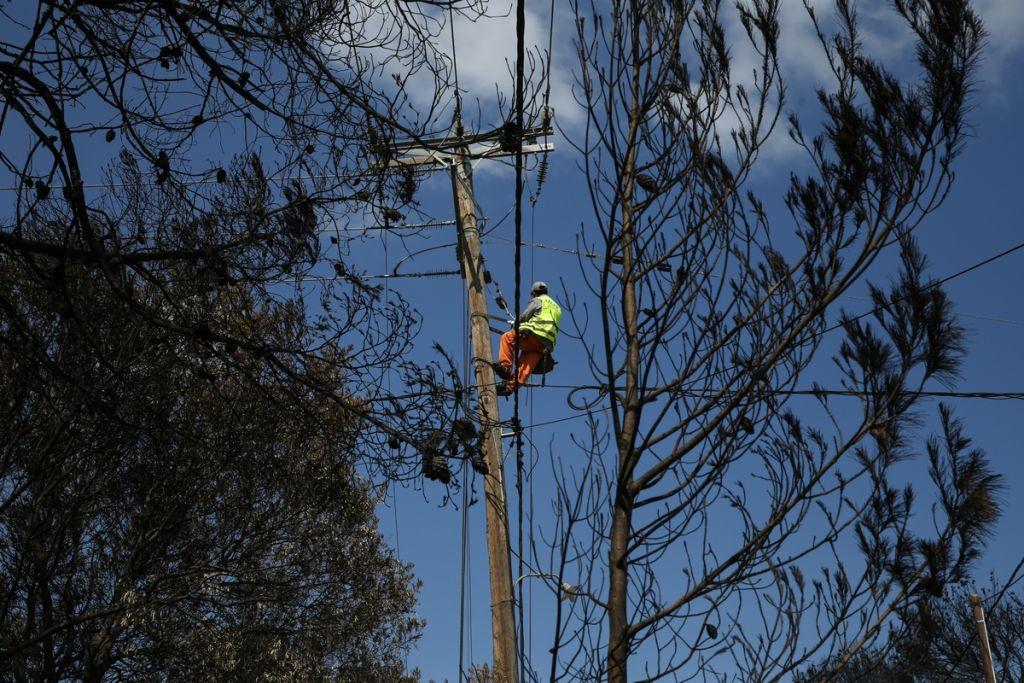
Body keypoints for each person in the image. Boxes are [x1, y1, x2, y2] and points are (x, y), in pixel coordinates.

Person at [495, 281, 562, 396]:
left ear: (534, 293)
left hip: (534, 335)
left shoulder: (538, 300)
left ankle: (505, 367)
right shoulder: (557, 308)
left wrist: (517, 323)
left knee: (507, 338)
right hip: (545, 346)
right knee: (525, 367)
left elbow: (525, 316)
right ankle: (509, 387)